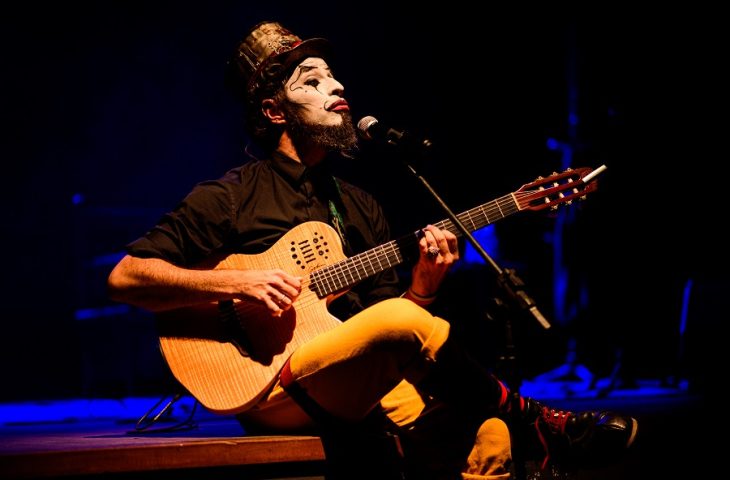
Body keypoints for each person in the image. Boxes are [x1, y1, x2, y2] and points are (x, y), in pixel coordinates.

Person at [107, 20, 638, 480]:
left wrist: (424, 286)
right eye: (311, 81)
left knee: (490, 437)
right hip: (268, 385)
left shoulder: (360, 206)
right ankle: (541, 423)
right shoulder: (229, 196)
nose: (337, 87)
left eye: (334, 76)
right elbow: (126, 277)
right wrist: (236, 282)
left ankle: (511, 427)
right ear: (273, 111)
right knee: (398, 330)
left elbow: (401, 323)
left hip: (349, 380)